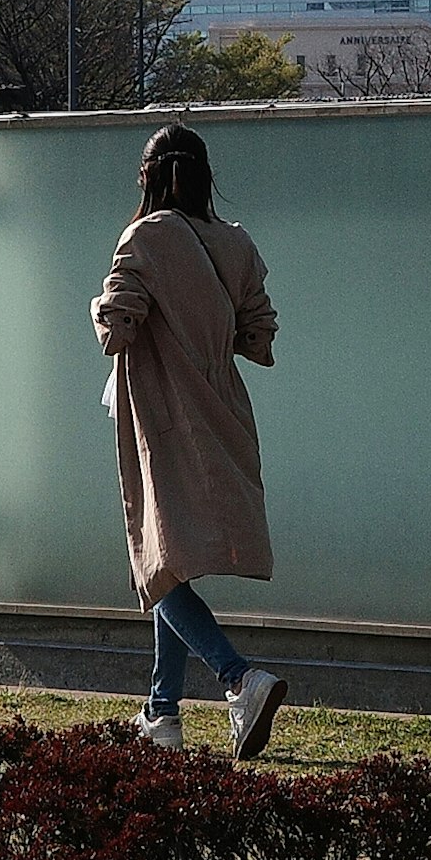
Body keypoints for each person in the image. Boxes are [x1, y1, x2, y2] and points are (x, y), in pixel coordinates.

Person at [93, 121, 287, 757]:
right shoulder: (235, 243)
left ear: (148, 177)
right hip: (223, 410)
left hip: (163, 415)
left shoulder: (145, 236)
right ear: (206, 177)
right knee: (167, 556)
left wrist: (101, 312)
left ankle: (238, 678)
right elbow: (258, 334)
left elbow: (118, 325)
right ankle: (162, 712)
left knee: (155, 563)